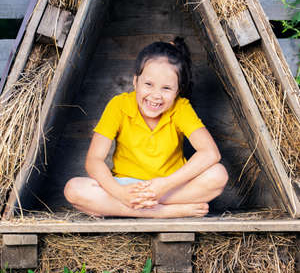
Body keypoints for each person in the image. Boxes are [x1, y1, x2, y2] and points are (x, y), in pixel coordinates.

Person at [64, 37, 228, 218]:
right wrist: (120, 193)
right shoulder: (119, 105)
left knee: (218, 175)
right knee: (74, 189)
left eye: (166, 88)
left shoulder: (181, 107)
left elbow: (211, 153)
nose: (156, 95)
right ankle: (163, 212)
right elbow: (93, 160)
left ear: (177, 90)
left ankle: (134, 208)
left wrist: (164, 185)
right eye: (148, 84)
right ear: (135, 81)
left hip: (169, 188)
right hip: (126, 187)